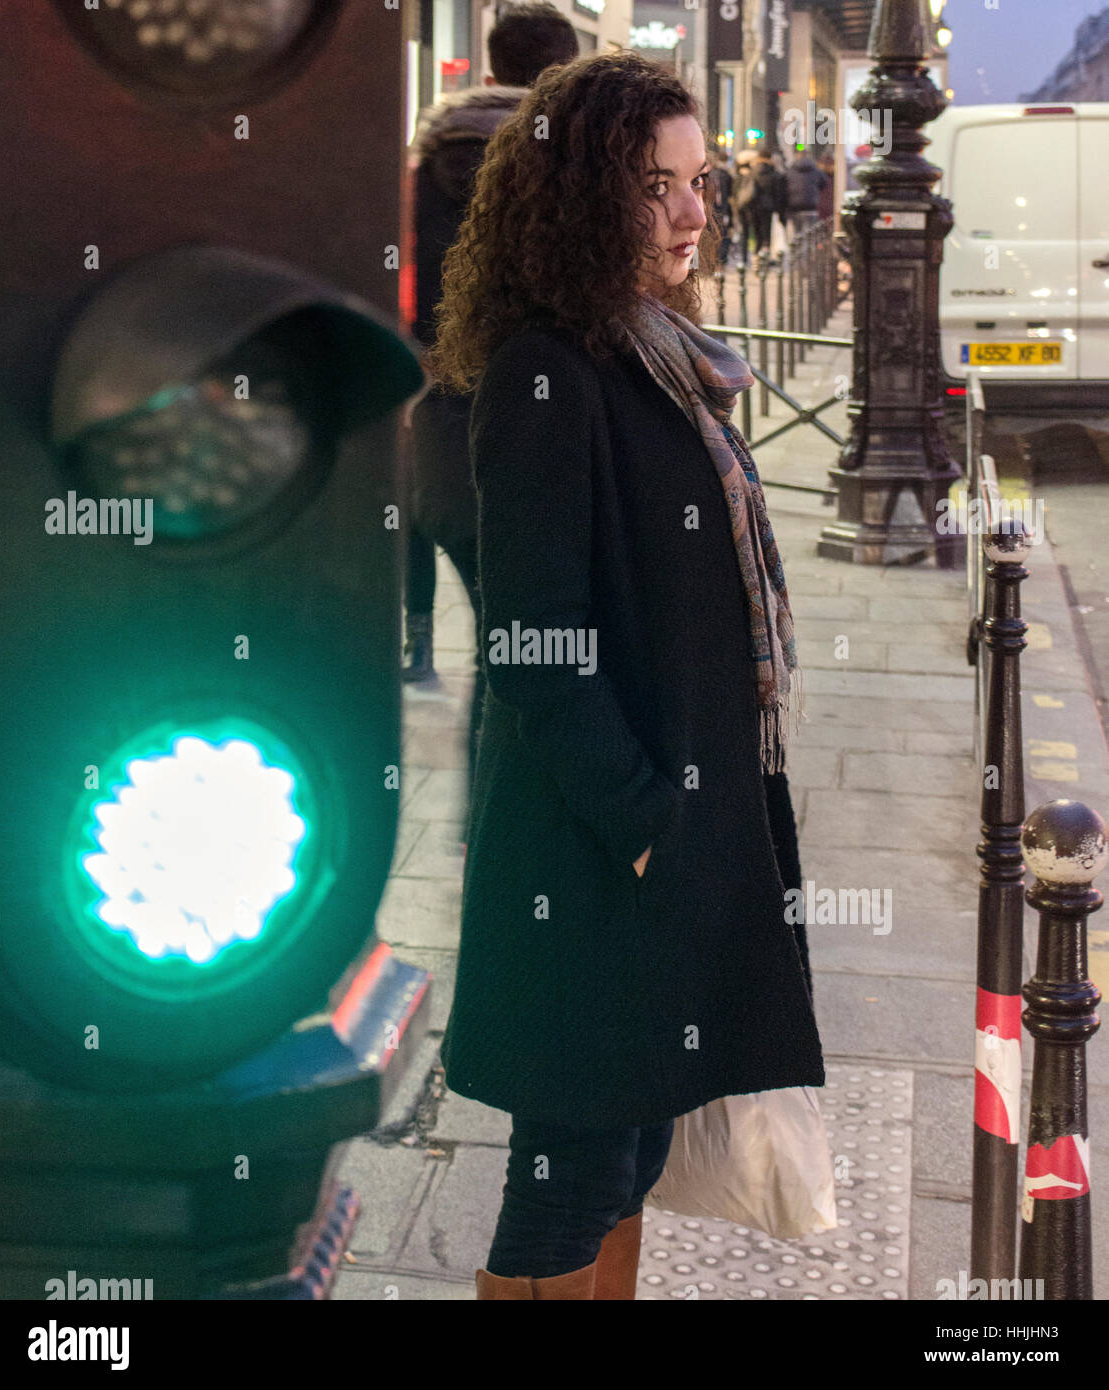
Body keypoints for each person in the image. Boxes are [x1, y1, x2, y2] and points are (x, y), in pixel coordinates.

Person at [428, 50, 824, 1300]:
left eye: (699, 181)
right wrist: (648, 824)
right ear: (588, 198)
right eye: (661, 187)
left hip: (673, 823)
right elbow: (533, 638)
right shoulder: (548, 374)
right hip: (594, 854)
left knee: (633, 1143)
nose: (698, 212)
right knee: (572, 1175)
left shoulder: (652, 350)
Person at [403, 3, 579, 815]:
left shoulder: (426, 160)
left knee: (502, 630)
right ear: (560, 72)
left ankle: (491, 819)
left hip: (437, 433)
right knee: (519, 641)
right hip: (527, 440)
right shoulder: (558, 160)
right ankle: (498, 819)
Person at [739, 147, 787, 263]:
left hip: (752, 207)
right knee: (766, 234)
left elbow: (745, 190)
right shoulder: (775, 173)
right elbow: (780, 195)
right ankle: (764, 256)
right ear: (770, 159)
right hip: (768, 208)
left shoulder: (751, 172)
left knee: (756, 233)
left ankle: (756, 256)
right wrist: (781, 213)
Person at [785, 147, 828, 235]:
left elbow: (784, 187)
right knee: (810, 233)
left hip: (794, 207)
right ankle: (808, 248)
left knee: (797, 233)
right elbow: (824, 183)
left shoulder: (790, 171)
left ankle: (799, 248)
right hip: (811, 206)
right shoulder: (816, 171)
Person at [708, 144, 734, 268]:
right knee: (719, 234)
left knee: (717, 234)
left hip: (717, 209)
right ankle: (718, 260)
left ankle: (717, 260)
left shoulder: (717, 175)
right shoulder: (723, 175)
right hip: (717, 210)